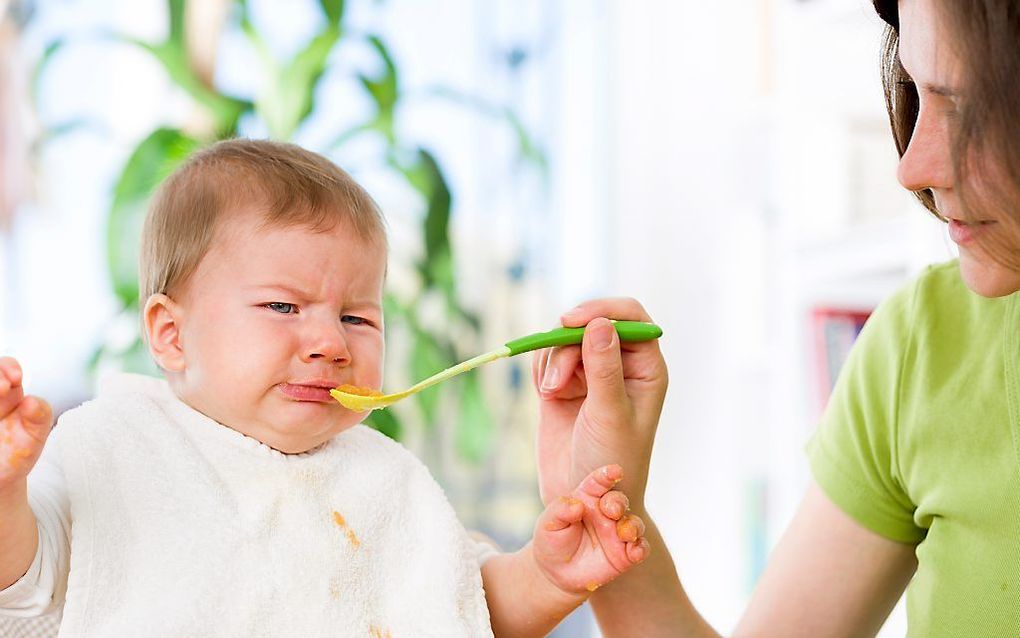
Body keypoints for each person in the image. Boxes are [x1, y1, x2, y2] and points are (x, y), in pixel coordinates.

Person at [0, 139, 650, 637]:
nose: (331, 343)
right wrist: (4, 489)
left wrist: (545, 574)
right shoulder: (116, 446)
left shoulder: (383, 479)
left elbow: (460, 603)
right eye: (284, 308)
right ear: (171, 334)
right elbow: (22, 586)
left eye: (357, 317)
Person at [531, 0, 1020, 635]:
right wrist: (605, 507)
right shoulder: (919, 347)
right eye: (918, 94)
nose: (912, 168)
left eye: (960, 108)